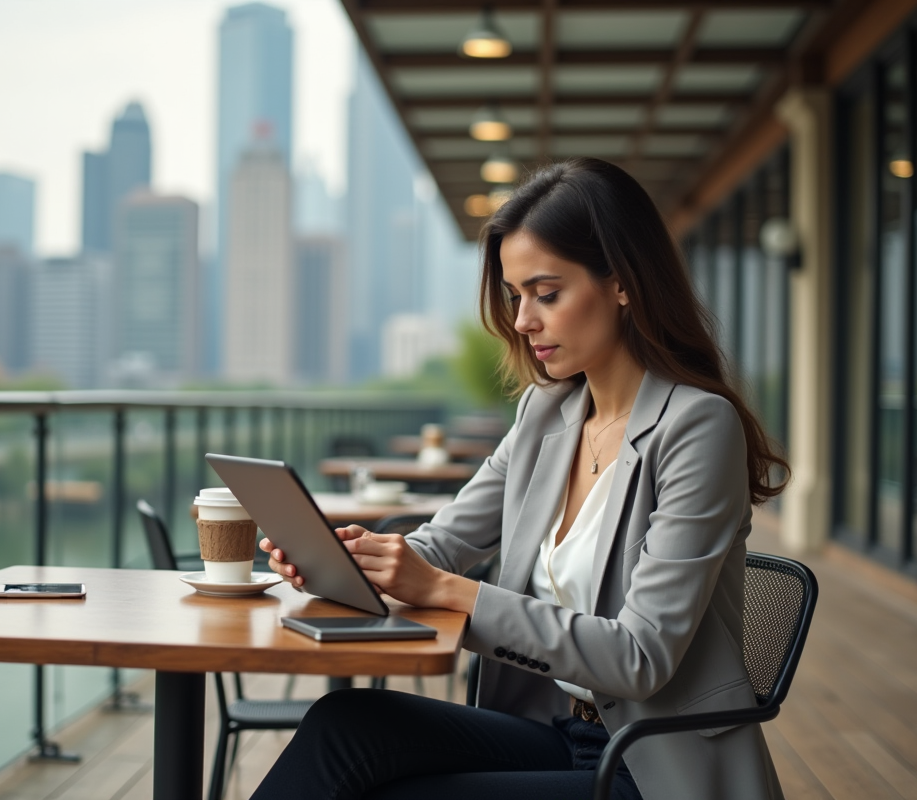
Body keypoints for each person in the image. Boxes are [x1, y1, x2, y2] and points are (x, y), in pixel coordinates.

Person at [253, 158, 790, 800]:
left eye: (547, 293)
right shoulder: (547, 414)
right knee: (345, 724)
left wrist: (451, 593)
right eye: (516, 296)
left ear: (621, 283)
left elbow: (640, 658)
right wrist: (346, 561)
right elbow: (441, 548)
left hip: (649, 764)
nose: (523, 320)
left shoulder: (698, 427)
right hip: (564, 732)